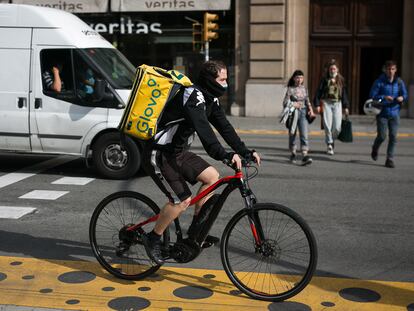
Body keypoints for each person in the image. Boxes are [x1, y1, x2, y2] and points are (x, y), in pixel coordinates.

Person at [142, 60, 261, 265]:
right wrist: (224, 155)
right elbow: (204, 131)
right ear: (209, 79)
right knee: (182, 201)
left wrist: (245, 151)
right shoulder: (193, 96)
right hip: (159, 152)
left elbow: (224, 127)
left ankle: (195, 234)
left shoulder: (210, 99)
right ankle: (152, 239)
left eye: (227, 79)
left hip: (178, 152)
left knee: (212, 177)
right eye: (222, 79)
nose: (226, 84)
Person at [369, 60, 408, 168]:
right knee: (382, 136)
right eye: (388, 69)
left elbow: (405, 94)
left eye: (392, 69)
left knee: (393, 137)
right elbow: (372, 95)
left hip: (395, 113)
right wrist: (384, 97)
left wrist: (402, 97)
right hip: (382, 113)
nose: (390, 71)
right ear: (385, 70)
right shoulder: (379, 82)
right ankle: (375, 148)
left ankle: (389, 159)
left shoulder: (399, 82)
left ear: (395, 70)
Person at [313, 60, 349, 155]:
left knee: (337, 127)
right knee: (327, 125)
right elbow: (318, 92)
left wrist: (346, 106)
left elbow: (344, 94)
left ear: (337, 69)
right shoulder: (324, 80)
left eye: (334, 68)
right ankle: (329, 144)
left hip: (337, 103)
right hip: (326, 103)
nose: (332, 70)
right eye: (331, 69)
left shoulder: (341, 80)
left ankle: (332, 139)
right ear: (329, 70)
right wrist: (316, 104)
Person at [282, 70, 315, 165]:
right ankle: (293, 152)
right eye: (297, 77)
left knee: (304, 134)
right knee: (292, 133)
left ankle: (305, 154)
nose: (299, 79)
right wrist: (293, 104)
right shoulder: (290, 89)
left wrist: (311, 110)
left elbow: (307, 100)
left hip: (303, 112)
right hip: (293, 114)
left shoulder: (304, 89)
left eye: (301, 77)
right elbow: (284, 103)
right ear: (294, 78)